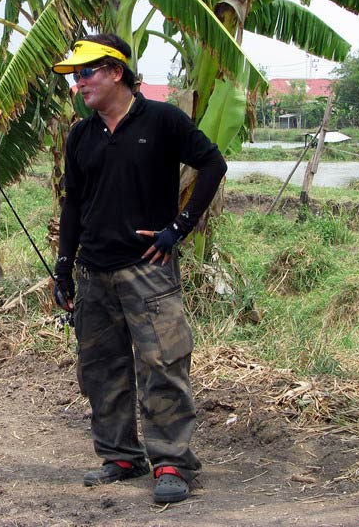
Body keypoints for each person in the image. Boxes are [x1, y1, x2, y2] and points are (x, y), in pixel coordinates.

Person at [51, 35, 227, 504]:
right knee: (101, 369)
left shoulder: (162, 119)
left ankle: (172, 462)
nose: (79, 83)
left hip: (147, 272)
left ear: (114, 71)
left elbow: (213, 163)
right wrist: (64, 267)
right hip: (93, 272)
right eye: (74, 76)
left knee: (163, 365)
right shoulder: (82, 134)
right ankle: (121, 455)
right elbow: (73, 205)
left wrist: (179, 228)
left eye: (86, 73)